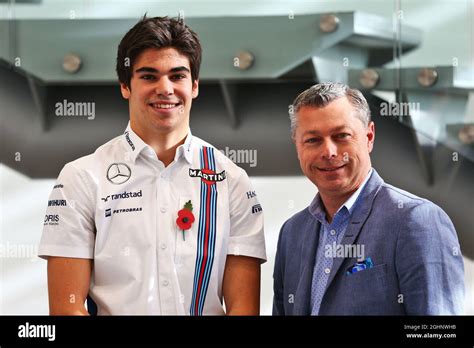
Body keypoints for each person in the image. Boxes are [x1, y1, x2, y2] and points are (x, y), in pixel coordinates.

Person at [39, 15, 266, 315]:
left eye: (177, 76)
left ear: (195, 85)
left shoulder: (231, 179)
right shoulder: (81, 177)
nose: (165, 88)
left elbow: (243, 309)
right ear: (125, 86)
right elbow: (67, 310)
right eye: (148, 76)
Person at [273, 82, 464, 315]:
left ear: (369, 136)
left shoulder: (416, 221)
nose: (329, 152)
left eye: (342, 136)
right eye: (313, 140)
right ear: (297, 147)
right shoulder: (292, 233)